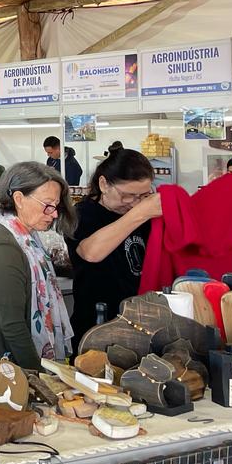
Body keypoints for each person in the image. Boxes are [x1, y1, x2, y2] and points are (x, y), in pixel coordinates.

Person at [0, 162, 75, 371]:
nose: (54, 214)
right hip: (5, 371)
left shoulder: (29, 241)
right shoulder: (6, 248)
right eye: (48, 204)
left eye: (56, 206)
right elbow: (13, 326)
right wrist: (40, 376)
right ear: (19, 199)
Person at [65, 149, 162, 347]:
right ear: (104, 184)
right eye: (127, 195)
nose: (134, 203)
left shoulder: (144, 217)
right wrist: (142, 213)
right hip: (96, 325)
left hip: (141, 324)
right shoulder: (82, 214)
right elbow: (90, 252)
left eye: (143, 195)